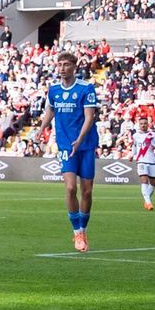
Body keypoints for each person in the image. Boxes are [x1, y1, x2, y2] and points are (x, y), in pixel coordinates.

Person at [43, 51, 99, 252]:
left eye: (66, 64)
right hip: (66, 145)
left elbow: (89, 117)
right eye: (59, 65)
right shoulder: (53, 90)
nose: (62, 68)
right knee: (70, 188)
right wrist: (41, 128)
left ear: (74, 67)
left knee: (87, 191)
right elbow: (50, 110)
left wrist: (80, 139)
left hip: (86, 144)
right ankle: (77, 232)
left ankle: (84, 228)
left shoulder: (86, 88)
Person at [131, 117, 155, 210]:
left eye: (145, 123)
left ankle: (146, 199)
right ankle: (148, 203)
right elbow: (134, 146)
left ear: (148, 124)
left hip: (151, 160)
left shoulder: (153, 135)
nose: (143, 125)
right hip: (141, 160)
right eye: (141, 124)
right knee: (144, 180)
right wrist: (132, 155)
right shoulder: (135, 135)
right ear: (139, 125)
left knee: (153, 183)